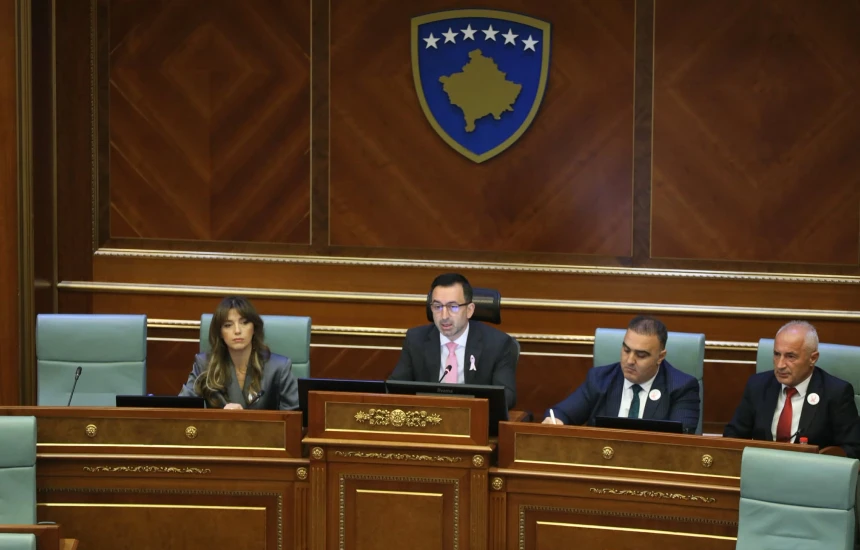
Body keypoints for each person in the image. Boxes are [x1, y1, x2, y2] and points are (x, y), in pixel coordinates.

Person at [723, 321, 860, 457]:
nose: (780, 365)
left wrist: (819, 461)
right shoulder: (757, 385)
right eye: (777, 354)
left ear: (813, 358)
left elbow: (853, 448)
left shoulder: (836, 393)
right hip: (762, 466)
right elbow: (733, 435)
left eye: (790, 356)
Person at [543, 315, 700, 433]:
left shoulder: (681, 388)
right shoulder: (599, 379)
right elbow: (561, 414)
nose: (629, 360)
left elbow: (681, 440)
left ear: (660, 356)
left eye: (641, 355)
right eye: (626, 350)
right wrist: (556, 421)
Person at [388, 273, 518, 409]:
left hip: (474, 417)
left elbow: (506, 396)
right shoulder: (416, 340)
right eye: (438, 307)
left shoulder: (498, 344)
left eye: (453, 307)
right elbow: (395, 389)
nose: (444, 316)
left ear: (469, 310)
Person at [180, 296, 299, 410]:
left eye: (244, 322)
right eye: (228, 325)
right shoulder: (204, 365)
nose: (237, 331)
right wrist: (219, 416)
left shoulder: (278, 368)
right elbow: (182, 409)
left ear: (254, 328)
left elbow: (294, 418)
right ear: (220, 332)